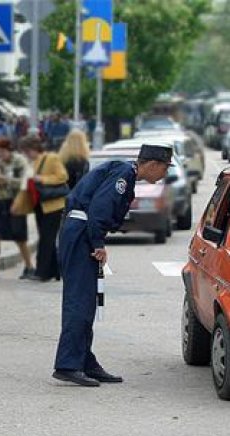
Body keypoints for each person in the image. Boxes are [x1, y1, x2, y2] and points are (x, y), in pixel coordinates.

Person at [52, 144, 173, 386]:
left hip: (80, 232)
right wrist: (98, 243)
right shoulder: (124, 175)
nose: (164, 174)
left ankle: (84, 361)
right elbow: (100, 209)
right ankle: (68, 364)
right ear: (152, 164)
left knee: (87, 302)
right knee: (80, 300)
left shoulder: (125, 172)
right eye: (164, 168)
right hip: (81, 234)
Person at [14, 134, 68, 282]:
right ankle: (55, 270)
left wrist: (42, 179)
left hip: (53, 205)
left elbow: (62, 176)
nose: (25, 155)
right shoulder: (33, 162)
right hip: (40, 205)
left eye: (26, 151)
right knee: (46, 238)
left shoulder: (51, 158)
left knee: (46, 239)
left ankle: (42, 272)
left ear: (33, 148)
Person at [0, 137, 33, 280]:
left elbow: (24, 182)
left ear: (9, 149)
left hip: (17, 201)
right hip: (1, 201)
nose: (1, 154)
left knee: (20, 236)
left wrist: (6, 180)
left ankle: (29, 266)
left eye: (3, 151)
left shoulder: (19, 161)